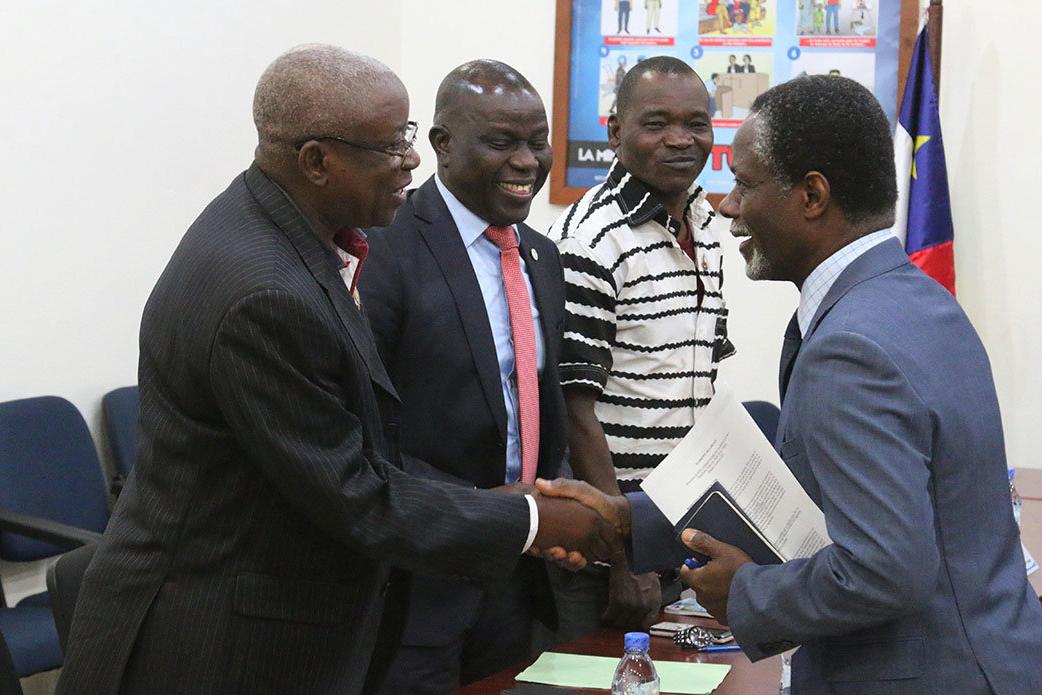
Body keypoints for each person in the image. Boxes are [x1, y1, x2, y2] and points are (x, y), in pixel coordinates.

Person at [54, 45, 613, 695]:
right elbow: (356, 493)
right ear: (317, 161)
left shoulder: (287, 237)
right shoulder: (265, 292)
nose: (411, 160)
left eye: (407, 136)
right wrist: (533, 520)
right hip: (213, 639)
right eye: (391, 144)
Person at [539, 75, 1042, 693]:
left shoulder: (851, 347)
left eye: (745, 185)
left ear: (811, 196)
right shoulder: (919, 303)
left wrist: (745, 592)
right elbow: (812, 489)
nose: (728, 207)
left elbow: (885, 571)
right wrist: (627, 521)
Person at [360, 60, 568, 694]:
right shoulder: (382, 246)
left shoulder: (540, 255)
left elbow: (541, 403)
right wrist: (481, 512)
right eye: (502, 142)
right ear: (442, 144)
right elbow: (365, 429)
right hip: (416, 580)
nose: (526, 162)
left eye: (537, 142)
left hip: (515, 576)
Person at [546, 56, 730, 640]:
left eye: (696, 123)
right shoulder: (591, 239)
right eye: (656, 123)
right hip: (611, 552)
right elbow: (574, 411)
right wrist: (625, 559)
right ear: (615, 131)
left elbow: (694, 385)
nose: (680, 140)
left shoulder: (704, 223)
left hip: (679, 530)